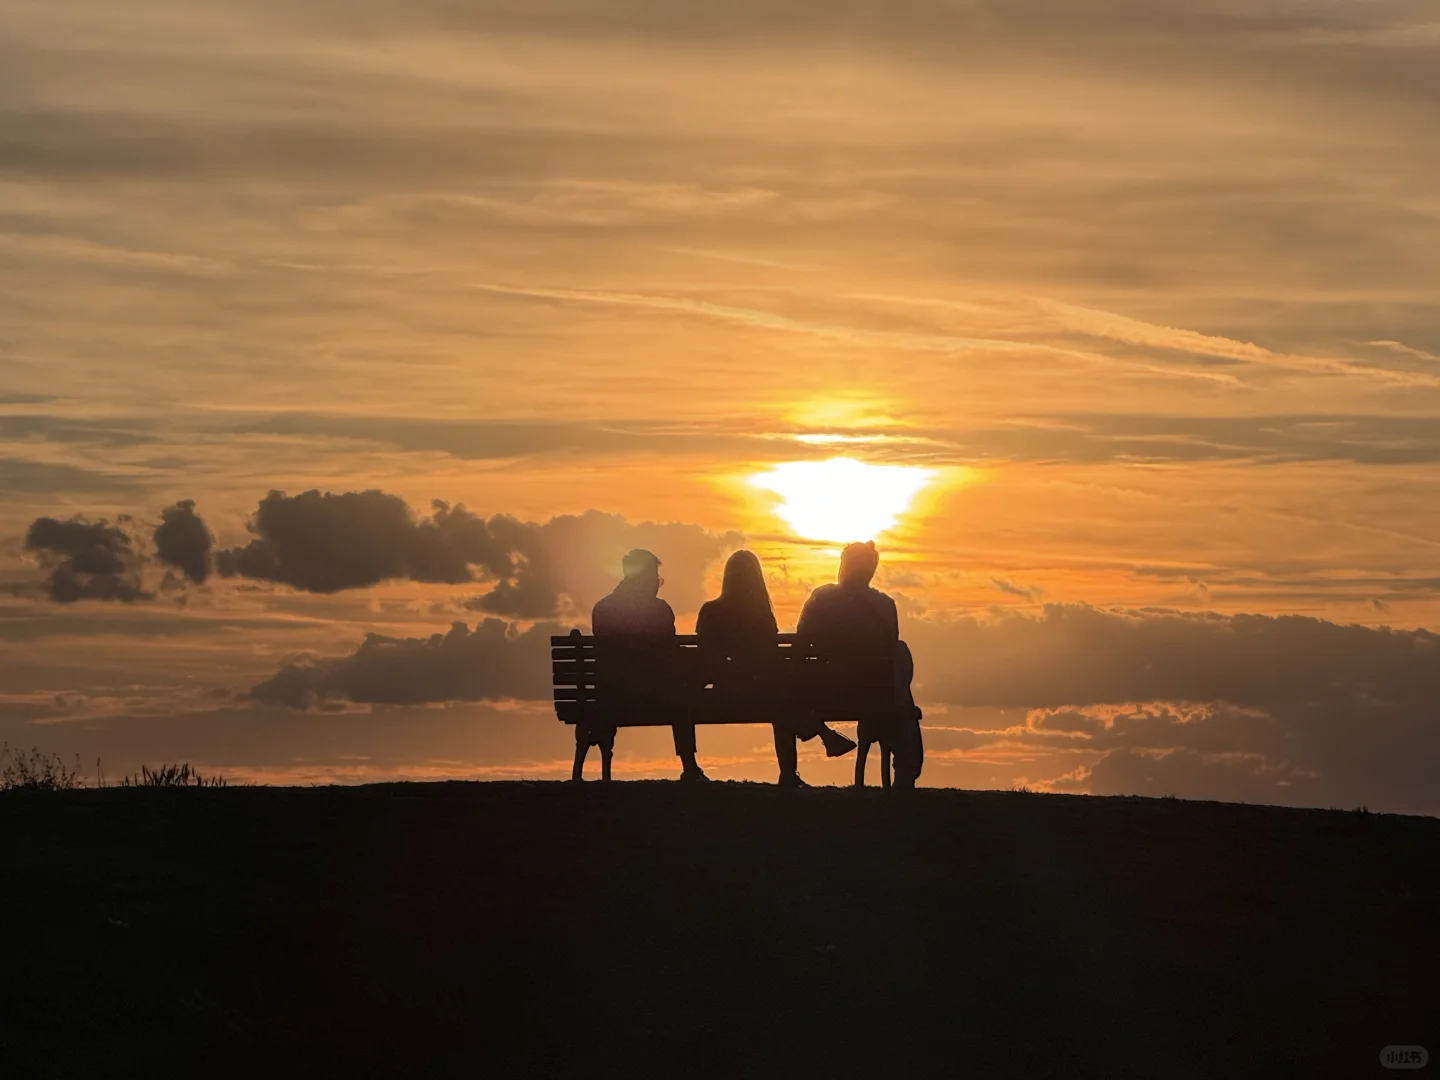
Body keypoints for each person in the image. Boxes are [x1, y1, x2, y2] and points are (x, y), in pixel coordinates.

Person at [696, 550, 855, 788]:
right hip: (758, 692)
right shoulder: (761, 616)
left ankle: (821, 737)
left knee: (782, 698)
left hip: (725, 692)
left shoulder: (711, 611)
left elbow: (706, 659)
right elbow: (768, 656)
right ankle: (808, 749)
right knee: (783, 699)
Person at [796, 541, 924, 789]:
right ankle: (905, 776)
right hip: (875, 697)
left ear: (844, 566)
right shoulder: (885, 605)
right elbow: (889, 647)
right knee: (900, 660)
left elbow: (801, 644)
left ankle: (821, 733)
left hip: (824, 695)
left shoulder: (821, 598)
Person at [591, 548, 707, 782]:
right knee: (682, 694)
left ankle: (603, 774)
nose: (657, 584)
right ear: (645, 578)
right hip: (658, 695)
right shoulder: (658, 610)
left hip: (613, 695)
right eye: (655, 578)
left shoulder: (603, 608)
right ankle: (689, 765)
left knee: (678, 689)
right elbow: (670, 655)